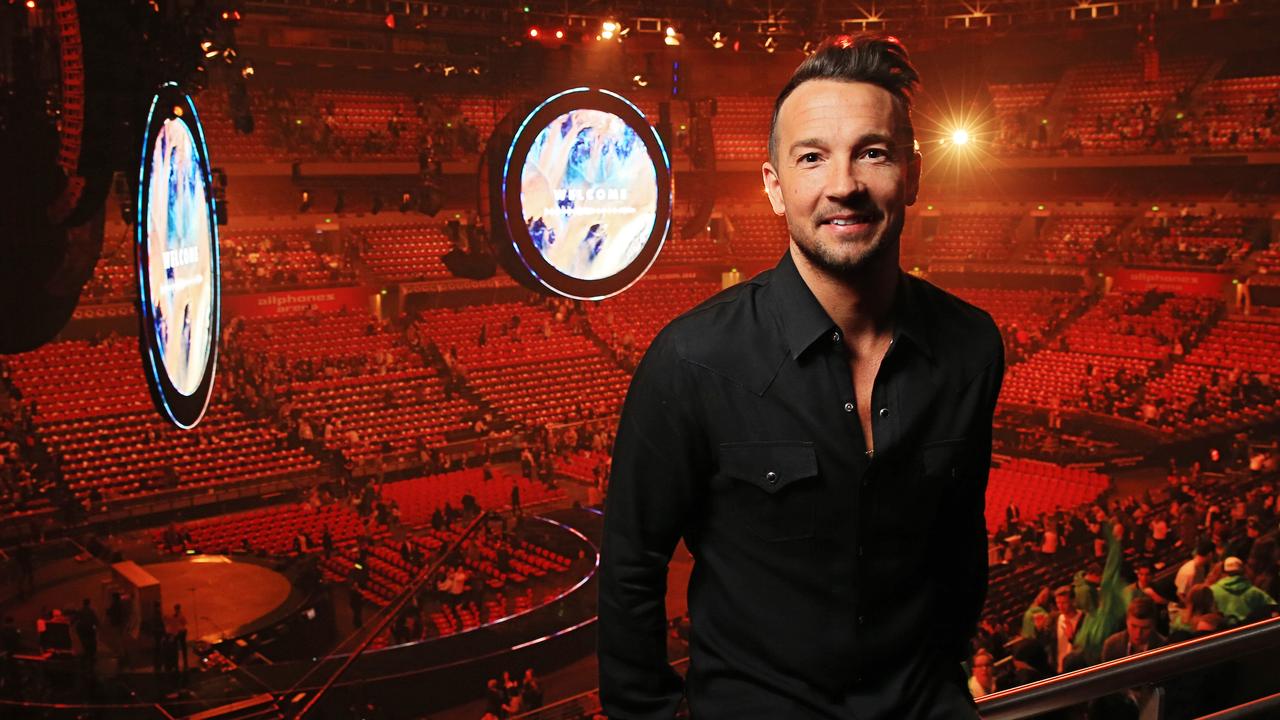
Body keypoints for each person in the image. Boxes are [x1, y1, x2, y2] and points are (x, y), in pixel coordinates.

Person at [598, 33, 1004, 720]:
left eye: (871, 152)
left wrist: (945, 675)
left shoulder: (970, 345)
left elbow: (960, 542)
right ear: (774, 187)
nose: (842, 184)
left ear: (912, 172)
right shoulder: (690, 361)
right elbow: (631, 566)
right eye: (812, 157)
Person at [1210, 556, 1277, 625]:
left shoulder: (1212, 590)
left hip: (1221, 632)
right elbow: (1274, 608)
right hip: (1248, 631)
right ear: (1244, 571)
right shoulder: (1255, 592)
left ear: (1223, 572)